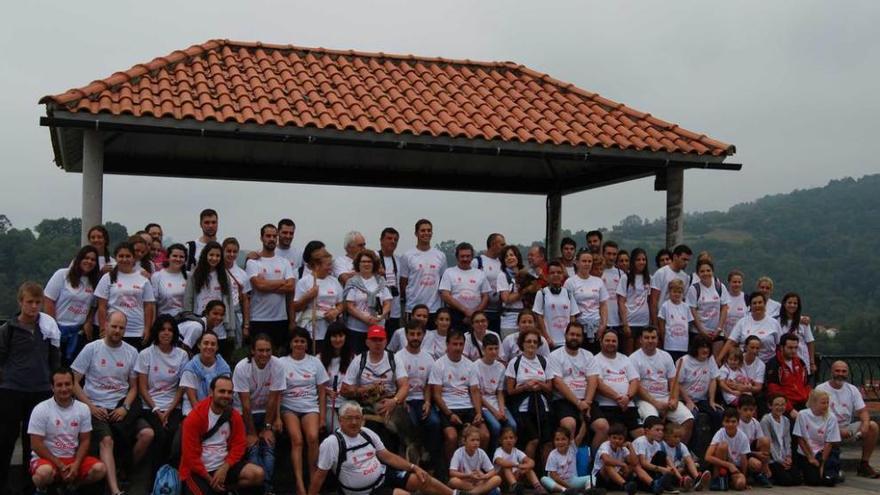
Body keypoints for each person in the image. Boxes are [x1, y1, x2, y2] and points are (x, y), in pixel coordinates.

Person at [71, 310, 148, 495]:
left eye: (121, 328)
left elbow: (134, 388)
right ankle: (115, 490)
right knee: (106, 440)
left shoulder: (131, 352)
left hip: (121, 405)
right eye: (114, 326)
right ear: (105, 324)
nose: (117, 330)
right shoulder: (92, 348)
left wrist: (125, 407)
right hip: (95, 406)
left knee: (147, 434)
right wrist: (90, 407)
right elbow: (73, 382)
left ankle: (123, 469)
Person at [309, 401, 455, 495]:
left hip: (383, 476)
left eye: (357, 418)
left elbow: (387, 456)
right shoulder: (332, 443)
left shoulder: (367, 433)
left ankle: (454, 493)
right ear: (340, 420)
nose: (354, 422)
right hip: (364, 491)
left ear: (362, 419)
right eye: (349, 418)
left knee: (422, 477)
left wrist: (413, 467)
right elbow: (319, 476)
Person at [0, 282, 61, 492]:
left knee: (32, 441)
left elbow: (55, 360)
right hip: (12, 390)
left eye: (38, 302)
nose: (34, 307)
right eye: (29, 302)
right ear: (20, 302)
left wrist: (52, 382)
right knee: (6, 438)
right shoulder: (8, 329)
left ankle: (29, 485)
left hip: (40, 390)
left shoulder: (48, 328)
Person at [179, 375, 264, 494]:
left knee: (257, 474)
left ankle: (226, 490)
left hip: (223, 465)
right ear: (211, 392)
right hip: (199, 471)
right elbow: (190, 456)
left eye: (229, 392)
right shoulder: (194, 417)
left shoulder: (233, 416)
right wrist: (210, 480)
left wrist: (225, 467)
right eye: (222, 391)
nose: (226, 395)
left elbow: (239, 445)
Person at [28, 368, 106, 494]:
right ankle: (41, 490)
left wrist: (76, 464)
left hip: (72, 459)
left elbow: (85, 440)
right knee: (43, 473)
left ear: (73, 385)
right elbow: (36, 444)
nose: (64, 389)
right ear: (52, 387)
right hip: (48, 460)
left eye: (67, 384)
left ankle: (71, 487)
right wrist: (59, 465)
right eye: (59, 385)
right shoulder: (41, 409)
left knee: (100, 469)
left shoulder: (83, 408)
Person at [340, 326, 409, 453]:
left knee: (402, 427)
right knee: (374, 427)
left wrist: (394, 401)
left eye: (380, 340)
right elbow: (343, 390)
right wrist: (364, 389)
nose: (377, 343)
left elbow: (404, 385)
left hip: (389, 400)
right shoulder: (359, 360)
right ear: (367, 342)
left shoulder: (393, 359)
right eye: (374, 340)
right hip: (365, 403)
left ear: (386, 341)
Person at [232, 334, 284, 494]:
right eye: (260, 350)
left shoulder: (277, 365)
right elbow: (245, 405)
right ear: (253, 351)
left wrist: (267, 427)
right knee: (253, 448)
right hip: (243, 413)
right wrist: (252, 433)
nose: (265, 354)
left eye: (268, 350)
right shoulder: (242, 367)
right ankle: (259, 486)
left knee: (268, 446)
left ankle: (267, 488)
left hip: (265, 412)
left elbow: (273, 399)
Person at [280, 327, 329, 495]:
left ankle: (313, 481)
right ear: (291, 343)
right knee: (297, 440)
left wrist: (322, 417)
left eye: (302, 341)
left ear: (307, 344)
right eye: (296, 341)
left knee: (313, 437)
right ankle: (299, 483)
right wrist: (276, 418)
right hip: (289, 407)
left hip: (310, 406)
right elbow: (277, 391)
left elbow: (322, 391)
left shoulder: (315, 362)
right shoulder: (282, 362)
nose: (299, 344)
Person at [135, 315, 188, 470]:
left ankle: (169, 474)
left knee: (174, 432)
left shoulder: (182, 355)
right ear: (156, 332)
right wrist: (157, 410)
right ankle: (154, 478)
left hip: (173, 406)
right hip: (150, 406)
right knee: (159, 434)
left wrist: (169, 410)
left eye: (170, 330)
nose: (166, 333)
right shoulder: (146, 354)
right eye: (162, 329)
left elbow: (181, 387)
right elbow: (142, 388)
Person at [816, 360, 880, 477]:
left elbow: (863, 411)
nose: (840, 373)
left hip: (847, 428)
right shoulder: (821, 389)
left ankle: (864, 465)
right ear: (831, 372)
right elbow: (817, 416)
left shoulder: (852, 389)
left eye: (844, 371)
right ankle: (828, 465)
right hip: (826, 429)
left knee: (872, 426)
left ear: (847, 373)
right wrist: (837, 431)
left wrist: (865, 424)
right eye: (837, 371)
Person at [630, 327, 694, 444]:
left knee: (688, 419)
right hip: (645, 400)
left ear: (658, 339)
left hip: (666, 397)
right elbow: (636, 386)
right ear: (640, 340)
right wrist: (655, 403)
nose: (650, 340)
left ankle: (677, 452)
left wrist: (674, 399)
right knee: (653, 424)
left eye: (653, 337)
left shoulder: (666, 356)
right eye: (647, 338)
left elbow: (673, 381)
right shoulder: (633, 358)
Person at [431, 329, 487, 461]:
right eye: (454, 344)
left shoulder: (470, 365)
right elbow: (437, 395)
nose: (458, 347)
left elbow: (474, 391)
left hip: (467, 407)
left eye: (461, 344)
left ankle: (477, 465)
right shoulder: (439, 364)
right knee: (452, 437)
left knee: (484, 435)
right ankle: (451, 470)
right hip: (448, 408)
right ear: (447, 344)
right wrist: (450, 414)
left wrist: (478, 412)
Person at [395, 319, 442, 470]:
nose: (415, 337)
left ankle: (430, 462)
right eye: (412, 334)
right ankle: (411, 464)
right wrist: (402, 401)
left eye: (418, 334)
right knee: (412, 423)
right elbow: (399, 383)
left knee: (434, 423)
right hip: (404, 400)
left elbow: (428, 384)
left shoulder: (429, 358)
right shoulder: (398, 357)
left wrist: (428, 402)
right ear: (406, 335)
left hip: (421, 399)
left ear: (423, 335)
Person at [45, 245, 100, 364]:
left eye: (93, 259)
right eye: (86, 258)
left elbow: (94, 306)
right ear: (79, 259)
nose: (89, 261)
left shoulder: (95, 282)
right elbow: (49, 300)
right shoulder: (62, 274)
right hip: (58, 329)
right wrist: (53, 328)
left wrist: (88, 321)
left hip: (78, 333)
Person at [95, 242, 156, 349]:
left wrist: (147, 329)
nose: (124, 259)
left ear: (133, 258)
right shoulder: (107, 277)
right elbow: (102, 306)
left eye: (128, 256)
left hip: (136, 331)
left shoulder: (143, 278)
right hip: (113, 331)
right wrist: (103, 328)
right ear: (116, 257)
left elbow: (148, 306)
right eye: (121, 256)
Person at [504, 329, 553, 462]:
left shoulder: (544, 361)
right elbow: (510, 390)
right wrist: (526, 387)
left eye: (535, 342)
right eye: (528, 341)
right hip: (523, 408)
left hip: (543, 407)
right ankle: (528, 474)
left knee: (547, 442)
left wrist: (539, 384)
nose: (532, 344)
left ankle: (547, 475)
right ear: (522, 344)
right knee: (533, 440)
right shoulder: (515, 362)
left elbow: (549, 387)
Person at [246, 224, 296, 355]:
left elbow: (290, 286)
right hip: (258, 318)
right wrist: (281, 281)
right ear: (261, 238)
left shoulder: (284, 262)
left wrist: (266, 284)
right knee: (259, 356)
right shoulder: (253, 262)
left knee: (279, 357)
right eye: (268, 236)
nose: (272, 239)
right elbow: (259, 286)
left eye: (274, 236)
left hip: (280, 319)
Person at [185, 241, 237, 361]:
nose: (214, 258)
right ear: (205, 255)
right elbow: (189, 300)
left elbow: (229, 303)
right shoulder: (195, 275)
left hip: (220, 327)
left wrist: (231, 328)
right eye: (211, 255)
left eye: (218, 256)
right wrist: (189, 321)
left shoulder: (224, 275)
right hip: (199, 323)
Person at [547, 322, 599, 443]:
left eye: (578, 335)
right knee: (569, 424)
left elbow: (593, 379)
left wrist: (587, 402)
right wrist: (578, 403)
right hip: (564, 401)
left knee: (602, 426)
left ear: (582, 338)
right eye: (572, 334)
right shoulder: (554, 355)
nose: (574, 337)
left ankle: (593, 460)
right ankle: (568, 458)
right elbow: (557, 382)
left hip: (586, 400)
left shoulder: (588, 355)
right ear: (565, 335)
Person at [593, 331, 643, 445]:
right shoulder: (595, 360)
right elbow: (598, 384)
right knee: (612, 438)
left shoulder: (625, 358)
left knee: (641, 435)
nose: (611, 343)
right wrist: (618, 397)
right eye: (607, 340)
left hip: (628, 405)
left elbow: (635, 380)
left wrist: (628, 397)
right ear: (601, 342)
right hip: (607, 406)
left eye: (614, 341)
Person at [294, 247, 344, 354]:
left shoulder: (334, 282)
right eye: (328, 265)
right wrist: (308, 296)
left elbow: (341, 304)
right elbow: (296, 306)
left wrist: (336, 311)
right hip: (311, 328)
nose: (331, 267)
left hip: (329, 327)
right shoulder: (305, 282)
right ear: (317, 265)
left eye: (331, 264)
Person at [343, 250, 391, 354]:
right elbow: (349, 306)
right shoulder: (352, 282)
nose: (366, 264)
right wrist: (365, 318)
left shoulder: (381, 281)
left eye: (369, 261)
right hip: (357, 329)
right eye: (363, 261)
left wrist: (380, 317)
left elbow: (387, 303)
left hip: (377, 329)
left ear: (374, 264)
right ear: (358, 264)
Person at [475, 333, 515, 451]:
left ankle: (507, 454)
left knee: (512, 425)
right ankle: (492, 456)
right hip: (483, 404)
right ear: (483, 349)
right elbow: (477, 394)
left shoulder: (501, 367)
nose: (493, 352)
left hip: (496, 401)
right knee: (496, 426)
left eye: (496, 348)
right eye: (490, 349)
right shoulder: (475, 366)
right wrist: (495, 412)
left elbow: (500, 392)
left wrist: (501, 410)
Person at [792, 389, 841, 486]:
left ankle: (833, 473)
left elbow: (829, 442)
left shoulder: (831, 417)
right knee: (813, 481)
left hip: (823, 452)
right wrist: (810, 457)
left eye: (827, 403)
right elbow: (800, 439)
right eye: (823, 403)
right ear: (814, 403)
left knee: (829, 481)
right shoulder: (802, 414)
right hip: (806, 452)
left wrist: (822, 463)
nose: (826, 405)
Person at [675, 334, 723, 433]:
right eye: (702, 347)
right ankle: (694, 447)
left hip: (702, 400)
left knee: (719, 413)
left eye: (707, 347)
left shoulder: (710, 359)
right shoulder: (683, 361)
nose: (705, 350)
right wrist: (688, 401)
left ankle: (715, 442)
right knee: (693, 416)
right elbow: (677, 384)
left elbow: (713, 379)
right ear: (695, 348)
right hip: (685, 399)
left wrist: (712, 401)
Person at [401, 219, 448, 319]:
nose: (426, 233)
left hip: (435, 308)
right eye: (423, 231)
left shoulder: (440, 256)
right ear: (416, 233)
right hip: (413, 308)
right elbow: (403, 283)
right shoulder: (407, 256)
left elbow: (443, 282)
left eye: (429, 230)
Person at [718, 292, 782, 365]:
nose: (757, 305)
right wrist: (719, 358)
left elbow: (780, 345)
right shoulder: (742, 322)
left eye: (760, 302)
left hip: (768, 363)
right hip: (745, 363)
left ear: (765, 304)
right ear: (750, 306)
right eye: (754, 303)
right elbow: (731, 342)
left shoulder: (774, 323)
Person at [440, 242, 491, 329]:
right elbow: (445, 295)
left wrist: (474, 314)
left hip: (476, 316)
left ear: (472, 257)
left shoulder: (480, 274)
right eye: (462, 256)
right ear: (457, 257)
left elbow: (485, 296)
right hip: (455, 315)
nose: (465, 259)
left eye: (468, 256)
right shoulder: (449, 272)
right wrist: (465, 310)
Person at [181, 331, 232, 417]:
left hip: (217, 407)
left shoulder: (224, 368)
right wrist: (205, 418)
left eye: (213, 344)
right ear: (199, 345)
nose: (209, 347)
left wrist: (213, 416)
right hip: (193, 408)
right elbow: (192, 399)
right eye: (206, 343)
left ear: (217, 347)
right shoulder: (190, 368)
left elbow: (224, 397)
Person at [564, 251, 607, 349]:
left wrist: (603, 325)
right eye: (584, 261)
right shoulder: (570, 282)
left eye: (589, 261)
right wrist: (573, 328)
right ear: (577, 262)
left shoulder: (598, 281)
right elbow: (568, 307)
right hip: (579, 327)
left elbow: (603, 305)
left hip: (596, 327)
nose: (587, 264)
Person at [686, 260, 729, 355]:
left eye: (708, 270)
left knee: (715, 362)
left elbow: (724, 308)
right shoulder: (694, 289)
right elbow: (692, 310)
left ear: (712, 271)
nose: (705, 273)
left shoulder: (720, 287)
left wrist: (719, 328)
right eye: (702, 271)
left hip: (716, 332)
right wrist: (702, 331)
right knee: (699, 362)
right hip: (698, 333)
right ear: (697, 273)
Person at [765, 333, 811, 420]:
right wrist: (790, 410)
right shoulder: (774, 364)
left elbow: (807, 385)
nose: (793, 351)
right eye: (790, 348)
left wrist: (810, 404)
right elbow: (774, 390)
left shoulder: (800, 362)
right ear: (782, 348)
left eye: (796, 348)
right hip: (786, 407)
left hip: (804, 404)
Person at [534, 261, 579, 348]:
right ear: (547, 275)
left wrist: (572, 337)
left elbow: (572, 316)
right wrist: (546, 337)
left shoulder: (568, 294)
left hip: (566, 341)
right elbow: (538, 317)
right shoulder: (542, 293)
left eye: (559, 272)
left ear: (563, 275)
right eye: (552, 273)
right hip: (550, 342)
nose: (556, 275)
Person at [760, 394, 802, 486]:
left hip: (784, 458)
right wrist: (779, 460)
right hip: (773, 459)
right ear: (770, 406)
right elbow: (769, 443)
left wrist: (788, 457)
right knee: (786, 481)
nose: (780, 407)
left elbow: (787, 441)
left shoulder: (786, 420)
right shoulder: (766, 420)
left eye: (782, 404)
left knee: (797, 480)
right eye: (777, 405)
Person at [704, 408, 751, 491]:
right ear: (723, 422)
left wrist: (743, 476)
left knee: (741, 484)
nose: (730, 424)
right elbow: (707, 456)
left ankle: (729, 482)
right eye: (727, 421)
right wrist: (728, 465)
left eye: (733, 421)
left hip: (735, 468)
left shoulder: (743, 437)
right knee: (723, 446)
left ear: (738, 422)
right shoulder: (720, 433)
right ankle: (717, 479)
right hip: (722, 466)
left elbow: (744, 460)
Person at [448, 425, 503, 495]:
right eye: (472, 440)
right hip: (465, 482)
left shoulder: (481, 452)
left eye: (478, 440)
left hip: (478, 482)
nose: (476, 443)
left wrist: (484, 476)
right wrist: (468, 475)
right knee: (453, 481)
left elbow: (492, 471)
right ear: (464, 441)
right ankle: (480, 491)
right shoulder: (458, 452)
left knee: (497, 479)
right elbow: (452, 472)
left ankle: (472, 493)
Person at [319, 322, 354, 432]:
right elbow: (313, 384)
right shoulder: (319, 359)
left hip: (347, 403)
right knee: (338, 430)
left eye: (341, 336)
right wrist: (327, 391)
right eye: (334, 336)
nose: (338, 339)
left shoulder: (353, 358)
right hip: (329, 405)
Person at [630, 416, 678, 494]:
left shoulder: (657, 444)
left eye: (662, 430)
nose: (660, 432)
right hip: (639, 475)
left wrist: (670, 469)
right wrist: (662, 469)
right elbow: (643, 463)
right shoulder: (641, 441)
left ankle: (660, 484)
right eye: (657, 430)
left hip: (651, 472)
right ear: (647, 431)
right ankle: (658, 484)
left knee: (661, 455)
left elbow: (662, 461)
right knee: (660, 455)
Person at [734, 394, 773, 487]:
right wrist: (756, 454)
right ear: (739, 409)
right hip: (740, 454)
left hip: (751, 450)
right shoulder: (736, 424)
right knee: (756, 464)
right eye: (745, 410)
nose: (748, 413)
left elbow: (761, 441)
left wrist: (763, 457)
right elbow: (740, 450)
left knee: (766, 440)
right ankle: (751, 475)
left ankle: (764, 472)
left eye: (751, 410)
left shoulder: (755, 422)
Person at [650, 244, 692, 328]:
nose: (686, 262)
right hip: (662, 318)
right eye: (683, 259)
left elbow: (683, 299)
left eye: (688, 260)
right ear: (675, 257)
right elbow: (654, 301)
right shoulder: (661, 273)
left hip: (677, 319)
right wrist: (655, 324)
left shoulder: (685, 277)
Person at [617, 247, 651, 351]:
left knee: (641, 355)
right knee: (629, 356)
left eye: (643, 259)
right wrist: (625, 323)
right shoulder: (625, 278)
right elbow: (621, 301)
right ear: (633, 261)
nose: (641, 262)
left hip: (644, 322)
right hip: (630, 322)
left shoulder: (649, 278)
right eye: (638, 259)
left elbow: (649, 300)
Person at [494, 426, 544, 494]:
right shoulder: (499, 451)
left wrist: (524, 467)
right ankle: (515, 487)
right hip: (501, 480)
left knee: (528, 469)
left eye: (511, 438)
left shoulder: (516, 451)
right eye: (505, 438)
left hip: (515, 475)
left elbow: (531, 462)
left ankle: (538, 487)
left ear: (515, 439)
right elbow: (500, 462)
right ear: (500, 440)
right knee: (506, 468)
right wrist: (517, 465)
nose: (509, 440)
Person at [661, 423, 710, 491]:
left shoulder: (681, 446)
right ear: (666, 436)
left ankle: (697, 479)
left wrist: (693, 472)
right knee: (669, 471)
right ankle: (683, 481)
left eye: (680, 437)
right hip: (667, 472)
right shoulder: (661, 446)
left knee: (691, 464)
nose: (678, 439)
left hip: (679, 470)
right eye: (675, 437)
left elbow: (689, 460)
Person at [473, 233, 506, 332]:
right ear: (493, 244)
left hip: (498, 312)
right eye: (502, 245)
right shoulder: (477, 262)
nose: (504, 247)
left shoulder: (503, 263)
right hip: (482, 311)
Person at [222, 237, 252, 346]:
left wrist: (246, 325)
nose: (231, 254)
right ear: (222, 251)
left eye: (234, 251)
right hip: (220, 314)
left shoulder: (242, 274)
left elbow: (245, 300)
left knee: (235, 347)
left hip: (236, 313)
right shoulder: (216, 271)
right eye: (228, 251)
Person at [778, 292, 816, 376]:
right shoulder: (777, 321)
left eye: (795, 303)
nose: (792, 305)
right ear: (784, 304)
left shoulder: (803, 321)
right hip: (783, 362)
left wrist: (812, 362)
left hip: (802, 360)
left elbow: (810, 342)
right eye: (789, 302)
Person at [593, 423, 637, 494]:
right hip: (601, 478)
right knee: (607, 465)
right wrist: (623, 464)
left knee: (632, 466)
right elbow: (606, 460)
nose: (617, 441)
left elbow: (634, 463)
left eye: (620, 439)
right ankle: (625, 485)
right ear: (609, 438)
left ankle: (626, 485)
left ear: (624, 440)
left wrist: (630, 446)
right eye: (614, 438)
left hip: (614, 478)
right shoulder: (605, 445)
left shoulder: (623, 448)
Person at [657, 279, 693, 362]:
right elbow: (661, 324)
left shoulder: (686, 307)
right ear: (669, 291)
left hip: (683, 345)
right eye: (674, 291)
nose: (677, 294)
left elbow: (689, 323)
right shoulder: (665, 306)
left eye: (679, 292)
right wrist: (664, 338)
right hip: (670, 345)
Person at [151, 243, 188, 317]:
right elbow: (153, 304)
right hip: (164, 321)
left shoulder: (189, 276)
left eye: (181, 257)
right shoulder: (157, 276)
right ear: (168, 257)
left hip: (185, 320)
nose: (178, 259)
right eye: (174, 256)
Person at [497, 246, 526, 339]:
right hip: (509, 321)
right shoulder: (503, 276)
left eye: (512, 255)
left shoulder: (526, 274)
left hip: (525, 319)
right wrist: (525, 291)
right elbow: (506, 299)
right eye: (506, 256)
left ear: (517, 257)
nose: (509, 258)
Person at [377, 227, 403, 331]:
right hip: (378, 308)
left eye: (395, 239)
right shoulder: (374, 257)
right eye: (389, 238)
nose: (393, 241)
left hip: (395, 309)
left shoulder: (399, 260)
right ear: (381, 240)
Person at [600, 241, 625, 345]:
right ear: (603, 254)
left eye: (614, 254)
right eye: (608, 254)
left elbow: (623, 300)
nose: (611, 257)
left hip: (617, 322)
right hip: (601, 323)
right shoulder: (598, 273)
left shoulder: (621, 274)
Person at [722, 270, 748, 348]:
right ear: (729, 282)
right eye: (734, 282)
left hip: (741, 342)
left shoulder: (747, 298)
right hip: (725, 339)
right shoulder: (723, 297)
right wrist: (727, 338)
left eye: (739, 282)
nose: (737, 284)